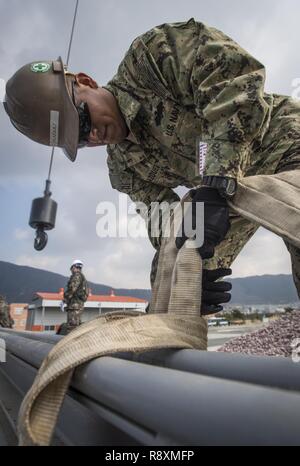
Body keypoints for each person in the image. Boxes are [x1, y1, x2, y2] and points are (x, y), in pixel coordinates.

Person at [5, 19, 300, 314]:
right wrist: (185, 272)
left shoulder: (151, 57)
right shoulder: (123, 167)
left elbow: (234, 83)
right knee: (172, 278)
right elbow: (163, 219)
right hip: (224, 193)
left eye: (83, 120)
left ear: (86, 81)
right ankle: (170, 348)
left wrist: (214, 182)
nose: (92, 135)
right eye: (79, 140)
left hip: (283, 143)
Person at [63, 260, 89, 333]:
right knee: (76, 328)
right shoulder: (82, 277)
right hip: (78, 306)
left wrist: (64, 299)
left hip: (74, 306)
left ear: (74, 267)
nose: (71, 270)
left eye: (71, 268)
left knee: (72, 328)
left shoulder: (77, 275)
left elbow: (72, 289)